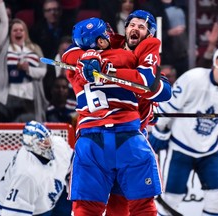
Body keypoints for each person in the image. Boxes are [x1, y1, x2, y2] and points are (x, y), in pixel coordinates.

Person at [61, 11, 171, 215]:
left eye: (141, 26)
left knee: (90, 208)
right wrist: (93, 60)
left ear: (149, 34)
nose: (135, 29)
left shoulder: (77, 66)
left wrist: (100, 67)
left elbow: (68, 54)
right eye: (132, 24)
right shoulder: (123, 54)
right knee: (137, 207)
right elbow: (149, 84)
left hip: (92, 138)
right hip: (128, 137)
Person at [149, 45, 218, 216]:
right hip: (180, 149)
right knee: (170, 200)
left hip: (209, 152)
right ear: (217, 60)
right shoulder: (193, 77)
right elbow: (170, 105)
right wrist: (160, 129)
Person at [0, 120, 73, 215]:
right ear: (32, 144)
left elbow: (75, 169)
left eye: (48, 139)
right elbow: (13, 212)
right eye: (43, 143)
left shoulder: (58, 144)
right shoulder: (26, 173)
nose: (49, 145)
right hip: (29, 208)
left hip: (50, 196)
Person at [0, 0, 48, 122]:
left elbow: (43, 70)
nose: (18, 32)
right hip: (9, 96)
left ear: (26, 32)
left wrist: (28, 69)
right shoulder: (4, 48)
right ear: (10, 33)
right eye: (15, 30)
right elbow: (4, 22)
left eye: (21, 30)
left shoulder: (35, 48)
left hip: (30, 97)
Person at [142, 0, 189, 77]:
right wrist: (168, 33)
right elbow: (147, 33)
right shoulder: (149, 7)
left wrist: (195, 46)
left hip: (183, 55)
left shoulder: (182, 4)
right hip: (164, 56)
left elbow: (191, 26)